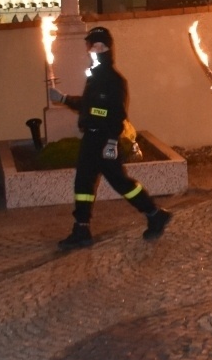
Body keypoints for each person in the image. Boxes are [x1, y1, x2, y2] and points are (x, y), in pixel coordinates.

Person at [47, 26, 172, 249]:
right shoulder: (93, 76)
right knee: (83, 182)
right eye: (93, 46)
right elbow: (88, 105)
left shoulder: (114, 80)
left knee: (120, 182)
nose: (96, 50)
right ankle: (82, 228)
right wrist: (64, 98)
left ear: (108, 49)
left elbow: (116, 113)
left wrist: (112, 141)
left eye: (101, 46)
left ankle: (154, 213)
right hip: (90, 138)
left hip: (104, 139)